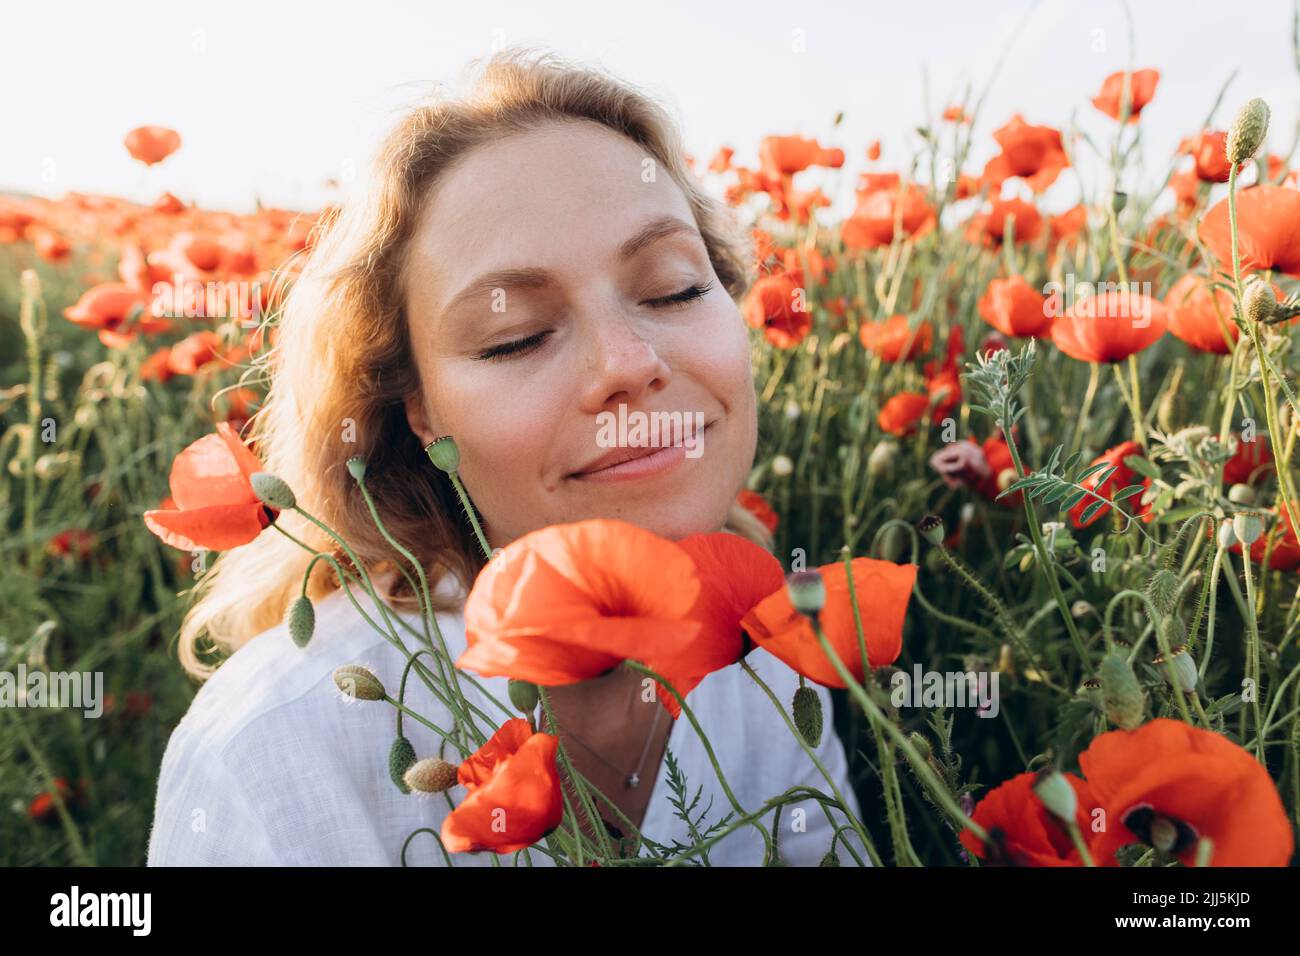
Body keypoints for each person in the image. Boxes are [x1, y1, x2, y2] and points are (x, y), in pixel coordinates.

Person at [146, 45, 870, 867]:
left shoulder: (769, 659)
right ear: (417, 412)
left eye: (674, 288)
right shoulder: (275, 755)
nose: (628, 362)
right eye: (516, 336)